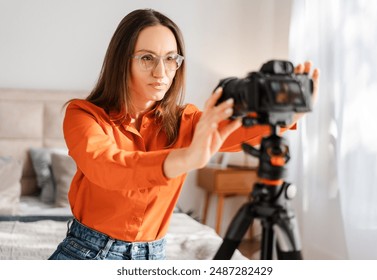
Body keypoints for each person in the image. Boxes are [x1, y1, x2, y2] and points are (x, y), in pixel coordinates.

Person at [49, 8, 319, 260]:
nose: (161, 72)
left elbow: (241, 132)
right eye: (147, 58)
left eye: (170, 59)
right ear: (122, 62)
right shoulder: (83, 115)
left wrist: (290, 114)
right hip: (87, 251)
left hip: (153, 256)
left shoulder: (184, 121)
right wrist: (185, 158)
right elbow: (108, 167)